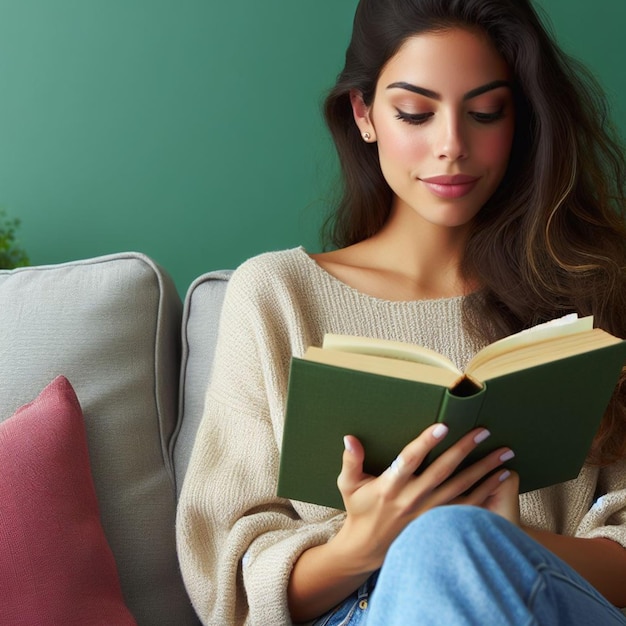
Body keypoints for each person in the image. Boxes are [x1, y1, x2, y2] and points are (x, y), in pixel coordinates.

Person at [176, 0, 626, 623]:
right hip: (356, 610)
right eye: (415, 113)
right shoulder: (278, 294)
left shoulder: (590, 291)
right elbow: (229, 580)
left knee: (447, 545)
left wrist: (499, 543)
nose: (452, 146)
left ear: (519, 119)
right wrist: (365, 542)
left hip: (549, 601)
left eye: (486, 112)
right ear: (364, 115)